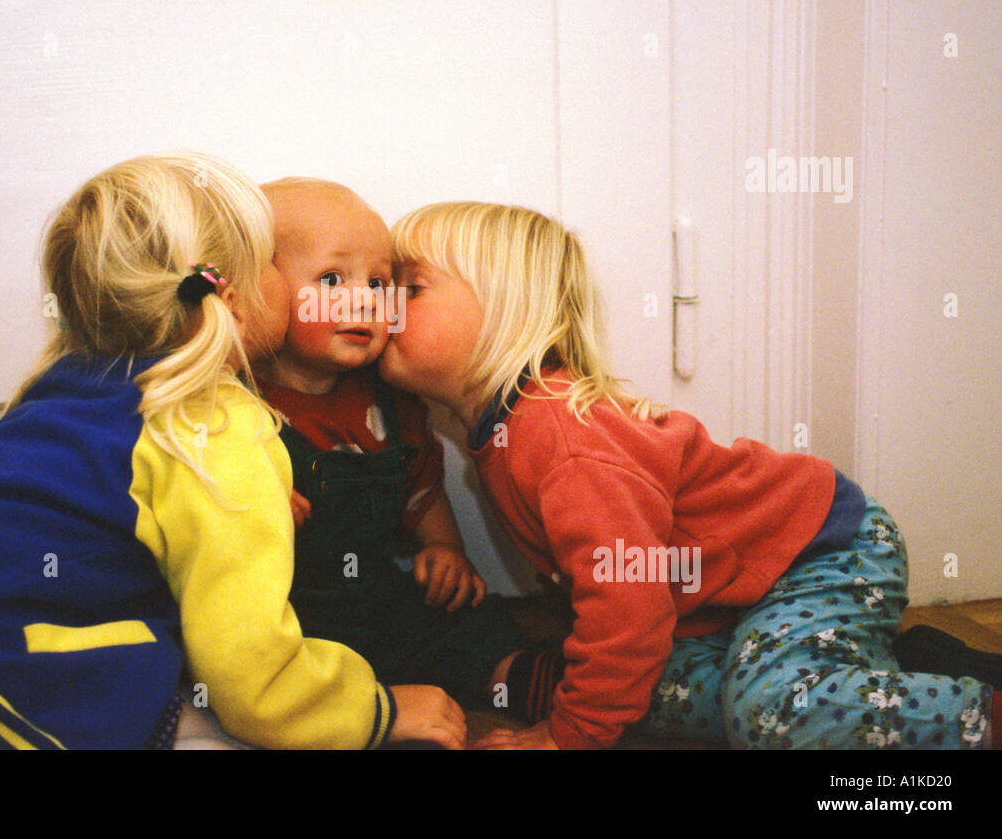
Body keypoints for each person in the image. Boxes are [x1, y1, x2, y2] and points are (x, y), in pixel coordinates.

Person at [0, 153, 465, 751]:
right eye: (276, 261)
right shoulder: (218, 426)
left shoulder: (70, 385)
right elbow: (251, 677)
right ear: (232, 296)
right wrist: (381, 709)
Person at [377, 199, 1000, 750]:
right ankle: (872, 678)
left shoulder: (564, 440)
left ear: (505, 313)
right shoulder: (501, 427)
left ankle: (979, 715)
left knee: (768, 715)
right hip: (732, 594)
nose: (385, 306)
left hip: (821, 551)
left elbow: (628, 603)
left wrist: (567, 736)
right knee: (654, 686)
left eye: (412, 287)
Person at [254, 178, 558, 722]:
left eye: (379, 282)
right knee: (250, 652)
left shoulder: (389, 400)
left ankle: (512, 677)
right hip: (286, 612)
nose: (364, 300)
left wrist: (445, 548)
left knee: (462, 619)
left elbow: (421, 484)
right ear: (262, 289)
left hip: (372, 593)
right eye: (331, 278)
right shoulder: (239, 399)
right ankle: (349, 711)